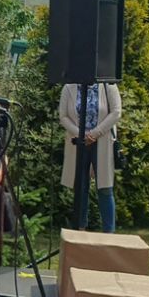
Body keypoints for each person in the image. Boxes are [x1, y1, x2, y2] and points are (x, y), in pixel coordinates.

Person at [59, 82, 122, 233]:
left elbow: (116, 112)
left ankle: (109, 233)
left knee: (105, 188)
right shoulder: (68, 87)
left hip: (102, 142)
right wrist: (81, 134)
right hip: (78, 143)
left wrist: (95, 133)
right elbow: (63, 116)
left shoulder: (108, 85)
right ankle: (80, 229)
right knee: (80, 187)